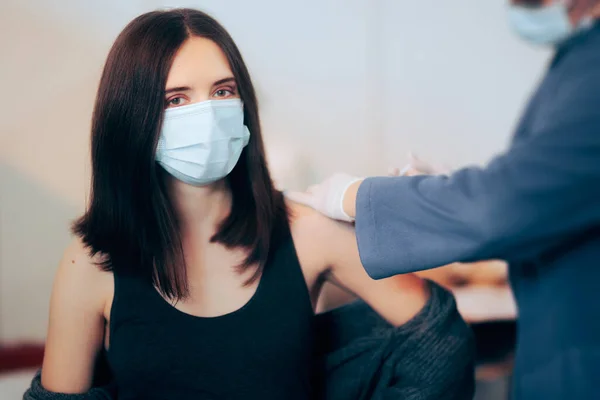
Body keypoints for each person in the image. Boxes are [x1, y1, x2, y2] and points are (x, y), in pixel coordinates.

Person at [30, 8, 474, 400]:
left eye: (223, 91)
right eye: (176, 99)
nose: (207, 113)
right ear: (132, 116)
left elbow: (439, 336)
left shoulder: (307, 230)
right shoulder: (90, 265)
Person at [287, 0, 600, 399]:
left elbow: (503, 207)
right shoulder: (577, 62)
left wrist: (359, 198)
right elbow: (541, 195)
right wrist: (443, 193)